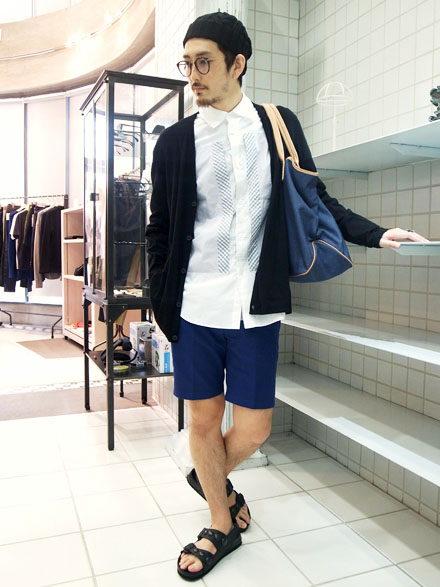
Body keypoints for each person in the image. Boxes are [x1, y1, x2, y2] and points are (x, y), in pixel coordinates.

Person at [146, 11, 428, 581]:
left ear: (237, 64)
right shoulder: (175, 141)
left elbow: (316, 200)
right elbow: (160, 228)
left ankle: (211, 478)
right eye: (187, 64)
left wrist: (377, 234)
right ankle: (220, 523)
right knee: (202, 422)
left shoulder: (277, 125)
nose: (193, 75)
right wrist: (161, 299)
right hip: (195, 305)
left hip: (257, 304)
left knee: (254, 429)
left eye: (204, 63)